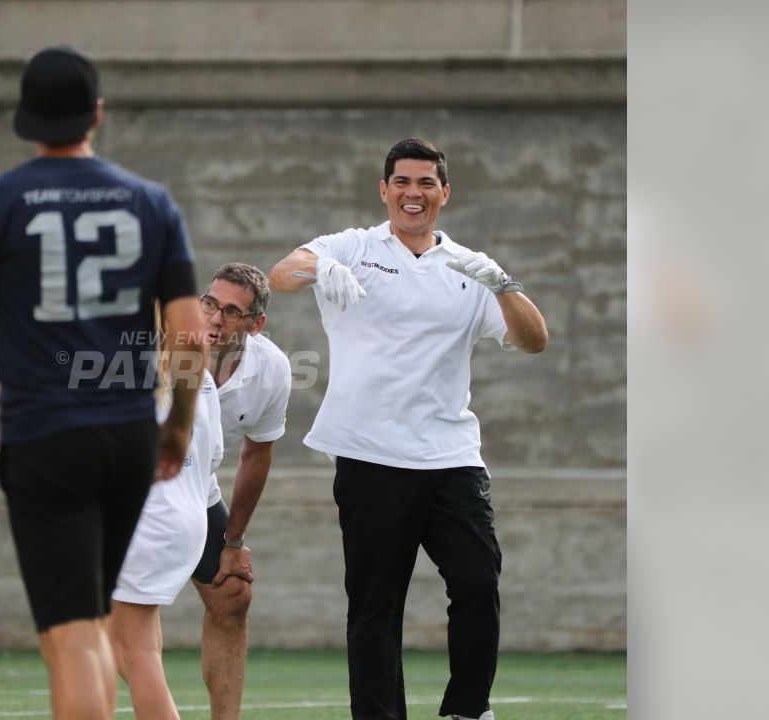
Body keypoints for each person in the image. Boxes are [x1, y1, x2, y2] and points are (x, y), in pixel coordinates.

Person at [0, 45, 206, 720]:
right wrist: (175, 424)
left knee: (71, 635)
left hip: (45, 438)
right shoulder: (152, 203)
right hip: (127, 435)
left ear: (25, 120)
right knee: (89, 620)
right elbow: (190, 336)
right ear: (97, 113)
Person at [270, 138, 548, 720]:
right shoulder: (351, 245)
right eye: (402, 182)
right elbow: (281, 275)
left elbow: (532, 340)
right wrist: (317, 266)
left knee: (477, 582)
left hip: (451, 456)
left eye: (425, 183)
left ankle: (467, 711)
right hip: (370, 453)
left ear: (444, 193)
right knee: (375, 606)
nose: (412, 194)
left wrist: (506, 285)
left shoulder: (470, 268)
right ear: (384, 189)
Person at [189, 263, 292, 720]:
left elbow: (256, 456)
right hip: (127, 490)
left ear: (256, 325)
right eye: (210, 304)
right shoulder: (156, 349)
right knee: (123, 605)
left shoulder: (273, 369)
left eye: (232, 312)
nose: (215, 319)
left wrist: (233, 541)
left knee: (233, 594)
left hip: (194, 488)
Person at [108, 316, 224, 720]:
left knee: (136, 653)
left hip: (147, 521)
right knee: (120, 641)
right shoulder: (199, 373)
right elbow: (215, 457)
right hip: (188, 518)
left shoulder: (115, 367)